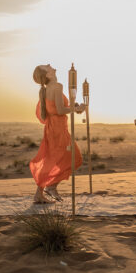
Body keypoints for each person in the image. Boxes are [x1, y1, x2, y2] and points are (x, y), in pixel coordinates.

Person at [29, 64, 85, 204]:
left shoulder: (45, 90)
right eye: (46, 66)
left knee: (51, 160)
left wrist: (73, 107)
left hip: (52, 128)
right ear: (47, 75)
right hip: (58, 129)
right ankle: (51, 186)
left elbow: (55, 109)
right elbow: (60, 110)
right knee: (74, 157)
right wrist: (77, 108)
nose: (49, 65)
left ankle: (40, 193)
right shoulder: (57, 86)